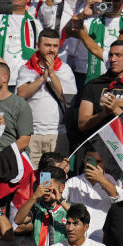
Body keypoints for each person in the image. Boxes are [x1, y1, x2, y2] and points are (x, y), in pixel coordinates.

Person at [16, 29, 78, 159]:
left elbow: (67, 98)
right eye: (47, 45)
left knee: (55, 176)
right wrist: (42, 78)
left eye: (55, 46)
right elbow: (21, 94)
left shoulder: (64, 69)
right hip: (32, 134)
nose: (51, 49)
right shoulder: (26, 69)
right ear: (38, 45)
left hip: (57, 133)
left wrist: (52, 74)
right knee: (35, 176)